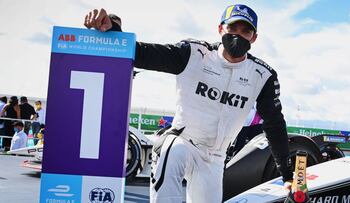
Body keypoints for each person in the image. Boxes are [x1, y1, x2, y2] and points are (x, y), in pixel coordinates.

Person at [84, 4, 293, 203]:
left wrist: (287, 176)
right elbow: (143, 54)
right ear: (220, 29)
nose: (238, 34)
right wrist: (114, 32)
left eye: (245, 31)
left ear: (254, 37)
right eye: (232, 27)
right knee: (173, 151)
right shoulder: (194, 54)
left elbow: (274, 124)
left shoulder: (262, 75)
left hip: (215, 158)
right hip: (183, 141)